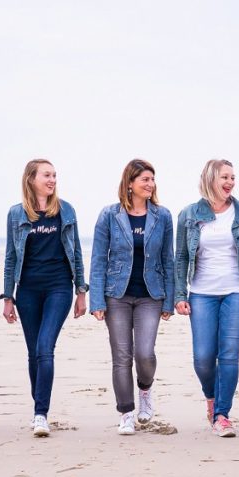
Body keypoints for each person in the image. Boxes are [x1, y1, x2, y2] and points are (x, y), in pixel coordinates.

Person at [1, 159, 87, 437]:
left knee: (45, 348)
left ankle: (40, 414)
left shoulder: (65, 210)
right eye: (46, 175)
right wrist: (8, 297)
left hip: (58, 288)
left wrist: (81, 291)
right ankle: (38, 407)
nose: (52, 180)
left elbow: (75, 254)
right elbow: (11, 258)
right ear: (31, 179)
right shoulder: (16, 214)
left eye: (54, 175)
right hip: (27, 290)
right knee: (33, 352)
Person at [89, 159, 175, 435]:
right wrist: (97, 301)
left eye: (152, 179)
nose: (150, 184)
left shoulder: (162, 216)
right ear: (130, 184)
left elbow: (168, 260)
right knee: (121, 356)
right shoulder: (109, 215)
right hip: (117, 295)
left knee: (144, 354)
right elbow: (99, 259)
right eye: (145, 180)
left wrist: (170, 299)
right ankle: (126, 412)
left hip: (151, 295)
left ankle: (145, 391)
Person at [174, 159, 239, 438]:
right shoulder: (189, 214)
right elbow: (182, 257)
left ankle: (222, 415)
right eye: (225, 177)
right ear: (211, 179)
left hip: (238, 290)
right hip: (202, 293)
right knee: (203, 358)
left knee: (229, 355)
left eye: (233, 177)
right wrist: (179, 294)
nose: (230, 182)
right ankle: (211, 397)